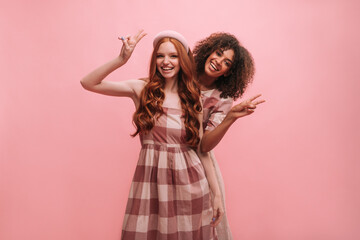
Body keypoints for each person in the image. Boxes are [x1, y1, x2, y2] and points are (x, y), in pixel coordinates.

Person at [80, 30, 223, 239]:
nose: (166, 62)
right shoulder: (142, 89)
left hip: (190, 185)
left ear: (182, 60)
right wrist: (121, 59)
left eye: (173, 56)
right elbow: (88, 83)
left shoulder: (193, 98)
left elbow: (202, 152)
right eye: (160, 56)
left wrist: (216, 195)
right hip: (150, 185)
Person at [193, 32, 265, 240]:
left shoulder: (222, 99)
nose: (218, 62)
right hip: (168, 156)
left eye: (226, 63)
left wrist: (231, 116)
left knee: (202, 228)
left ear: (228, 72)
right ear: (208, 52)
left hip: (201, 163)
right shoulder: (183, 75)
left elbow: (204, 146)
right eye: (217, 53)